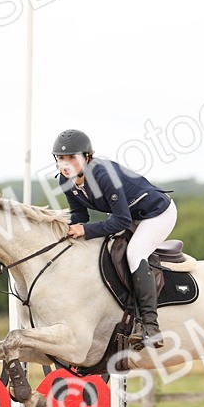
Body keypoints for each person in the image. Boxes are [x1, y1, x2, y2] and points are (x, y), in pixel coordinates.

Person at [54, 129, 175, 349]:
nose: (66, 163)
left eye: (73, 157)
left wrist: (85, 231)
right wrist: (69, 230)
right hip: (130, 217)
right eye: (61, 158)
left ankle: (151, 326)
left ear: (87, 157)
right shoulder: (65, 180)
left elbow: (120, 220)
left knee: (134, 253)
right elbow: (80, 216)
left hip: (157, 213)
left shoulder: (103, 176)